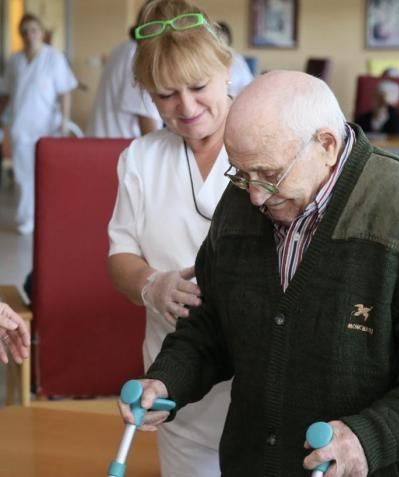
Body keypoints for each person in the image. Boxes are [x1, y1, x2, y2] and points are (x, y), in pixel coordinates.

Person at [120, 70, 399, 476]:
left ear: (326, 144)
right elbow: (210, 322)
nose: (253, 194)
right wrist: (166, 383)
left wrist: (371, 436)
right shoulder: (244, 202)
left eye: (269, 175)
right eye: (240, 172)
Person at [107, 1, 233, 475]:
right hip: (174, 386)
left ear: (226, 69)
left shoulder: (268, 142)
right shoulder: (141, 159)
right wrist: (150, 284)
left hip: (262, 388)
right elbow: (120, 255)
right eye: (165, 95)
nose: (186, 107)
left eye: (199, 87)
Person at [0, 13, 78, 235]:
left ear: (41, 33)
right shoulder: (15, 61)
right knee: (24, 177)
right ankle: (27, 219)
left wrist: (64, 121)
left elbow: (65, 92)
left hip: (47, 127)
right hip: (21, 128)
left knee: (46, 175)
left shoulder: (54, 58)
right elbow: (5, 94)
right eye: (24, 31)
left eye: (34, 30)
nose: (29, 35)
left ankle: (48, 215)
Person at [87, 3, 162, 138]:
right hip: (116, 148)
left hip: (101, 143)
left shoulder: (124, 49)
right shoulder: (139, 55)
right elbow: (147, 123)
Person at [215, 21, 254, 98]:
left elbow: (249, 84)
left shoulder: (237, 59)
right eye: (217, 37)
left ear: (228, 39)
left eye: (222, 38)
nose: (220, 42)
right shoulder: (206, 59)